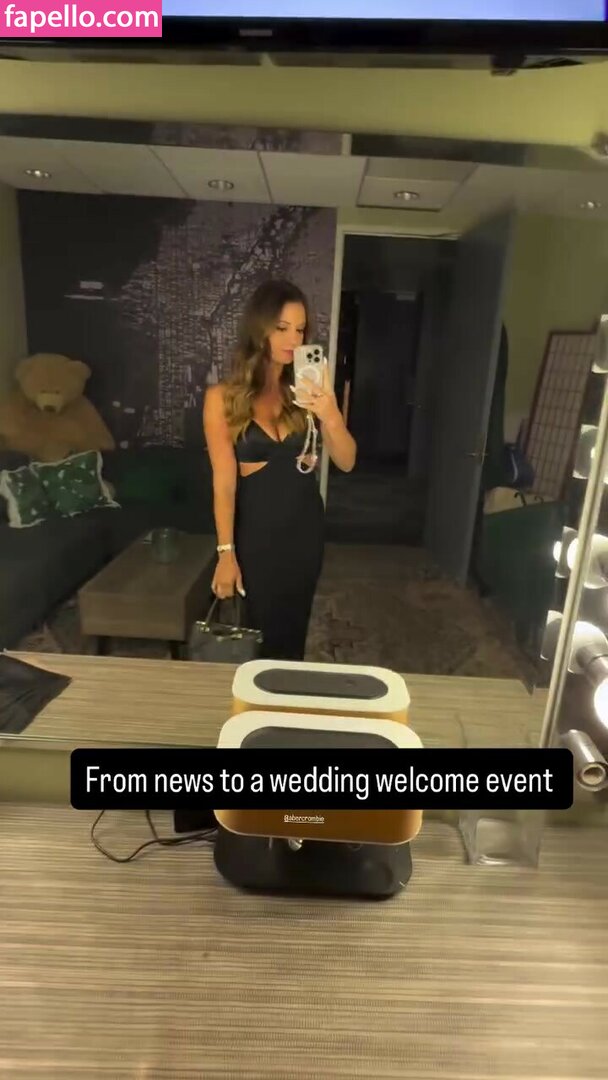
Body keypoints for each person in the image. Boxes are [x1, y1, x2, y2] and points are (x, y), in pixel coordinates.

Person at [203, 279, 357, 661]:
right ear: (260, 329)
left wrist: (330, 414)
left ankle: (287, 691)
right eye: (282, 328)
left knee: (292, 636)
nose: (293, 339)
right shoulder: (222, 398)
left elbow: (346, 461)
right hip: (257, 538)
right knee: (257, 640)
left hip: (305, 534)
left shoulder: (306, 394)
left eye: (300, 329)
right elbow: (224, 483)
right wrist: (226, 553)